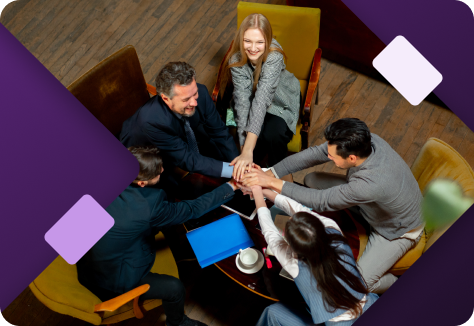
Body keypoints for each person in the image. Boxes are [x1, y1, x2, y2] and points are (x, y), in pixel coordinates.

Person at [241, 118, 424, 294]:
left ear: (352, 158)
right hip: (372, 205)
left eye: (332, 156)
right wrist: (272, 173)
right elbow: (314, 154)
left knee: (354, 285)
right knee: (311, 179)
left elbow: (322, 200)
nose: (327, 157)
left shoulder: (370, 184)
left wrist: (271, 183)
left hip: (395, 230)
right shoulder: (367, 141)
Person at [77, 146, 239, 326]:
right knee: (175, 288)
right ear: (141, 183)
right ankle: (177, 322)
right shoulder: (149, 205)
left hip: (87, 256)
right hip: (110, 278)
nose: (162, 170)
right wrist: (232, 185)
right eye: (157, 171)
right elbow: (193, 209)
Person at [250, 185, 378, 326]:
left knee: (273, 312)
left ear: (293, 248)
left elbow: (270, 232)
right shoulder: (332, 228)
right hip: (370, 305)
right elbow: (298, 209)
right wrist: (261, 190)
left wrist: (257, 191)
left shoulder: (293, 264)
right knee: (274, 311)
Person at [120, 62, 239, 181]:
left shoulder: (201, 92)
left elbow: (220, 132)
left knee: (217, 152)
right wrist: (232, 172)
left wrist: (240, 166)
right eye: (186, 99)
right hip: (149, 157)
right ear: (166, 99)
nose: (194, 103)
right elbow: (187, 159)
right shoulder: (151, 122)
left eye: (195, 93)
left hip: (182, 136)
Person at [218, 13, 300, 181]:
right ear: (241, 40)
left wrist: (248, 151)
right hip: (251, 101)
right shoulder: (236, 59)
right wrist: (244, 151)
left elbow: (262, 99)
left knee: (273, 135)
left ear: (268, 41)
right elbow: (242, 104)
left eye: (259, 42)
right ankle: (257, 173)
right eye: (247, 41)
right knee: (250, 137)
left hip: (279, 101)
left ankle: (280, 173)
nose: (253, 48)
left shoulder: (274, 56)